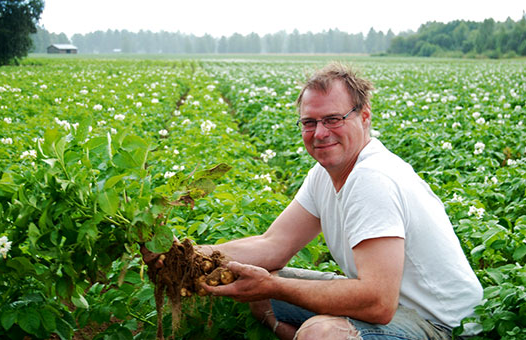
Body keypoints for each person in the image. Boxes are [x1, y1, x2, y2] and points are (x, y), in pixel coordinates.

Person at [144, 62, 483, 339]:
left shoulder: (372, 179)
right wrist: (186, 256)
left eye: (333, 119)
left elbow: (378, 303)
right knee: (262, 293)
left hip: (442, 325)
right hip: (393, 305)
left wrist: (275, 284)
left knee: (321, 334)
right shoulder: (325, 174)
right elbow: (273, 244)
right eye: (309, 122)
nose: (320, 133)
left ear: (364, 117)